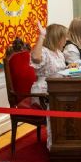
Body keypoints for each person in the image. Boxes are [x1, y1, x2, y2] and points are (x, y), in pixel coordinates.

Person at [30, 21, 69, 149]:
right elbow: (35, 58)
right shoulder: (44, 51)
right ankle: (57, 144)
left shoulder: (59, 52)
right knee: (61, 101)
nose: (66, 40)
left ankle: (69, 136)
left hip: (58, 87)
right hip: (44, 90)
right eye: (64, 37)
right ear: (57, 38)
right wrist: (41, 36)